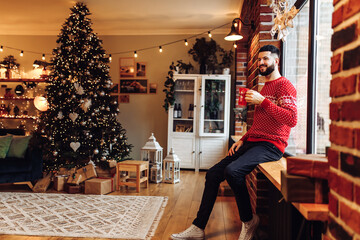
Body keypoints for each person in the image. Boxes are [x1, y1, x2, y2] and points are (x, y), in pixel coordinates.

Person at [170, 44, 297, 240]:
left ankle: (248, 221)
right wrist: (243, 139)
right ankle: (198, 227)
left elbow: (291, 119)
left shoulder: (284, 85)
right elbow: (259, 122)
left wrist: (262, 101)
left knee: (233, 171)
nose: (261, 63)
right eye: (259, 59)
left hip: (272, 146)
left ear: (276, 61)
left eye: (265, 59)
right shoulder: (263, 87)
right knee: (212, 174)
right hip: (253, 142)